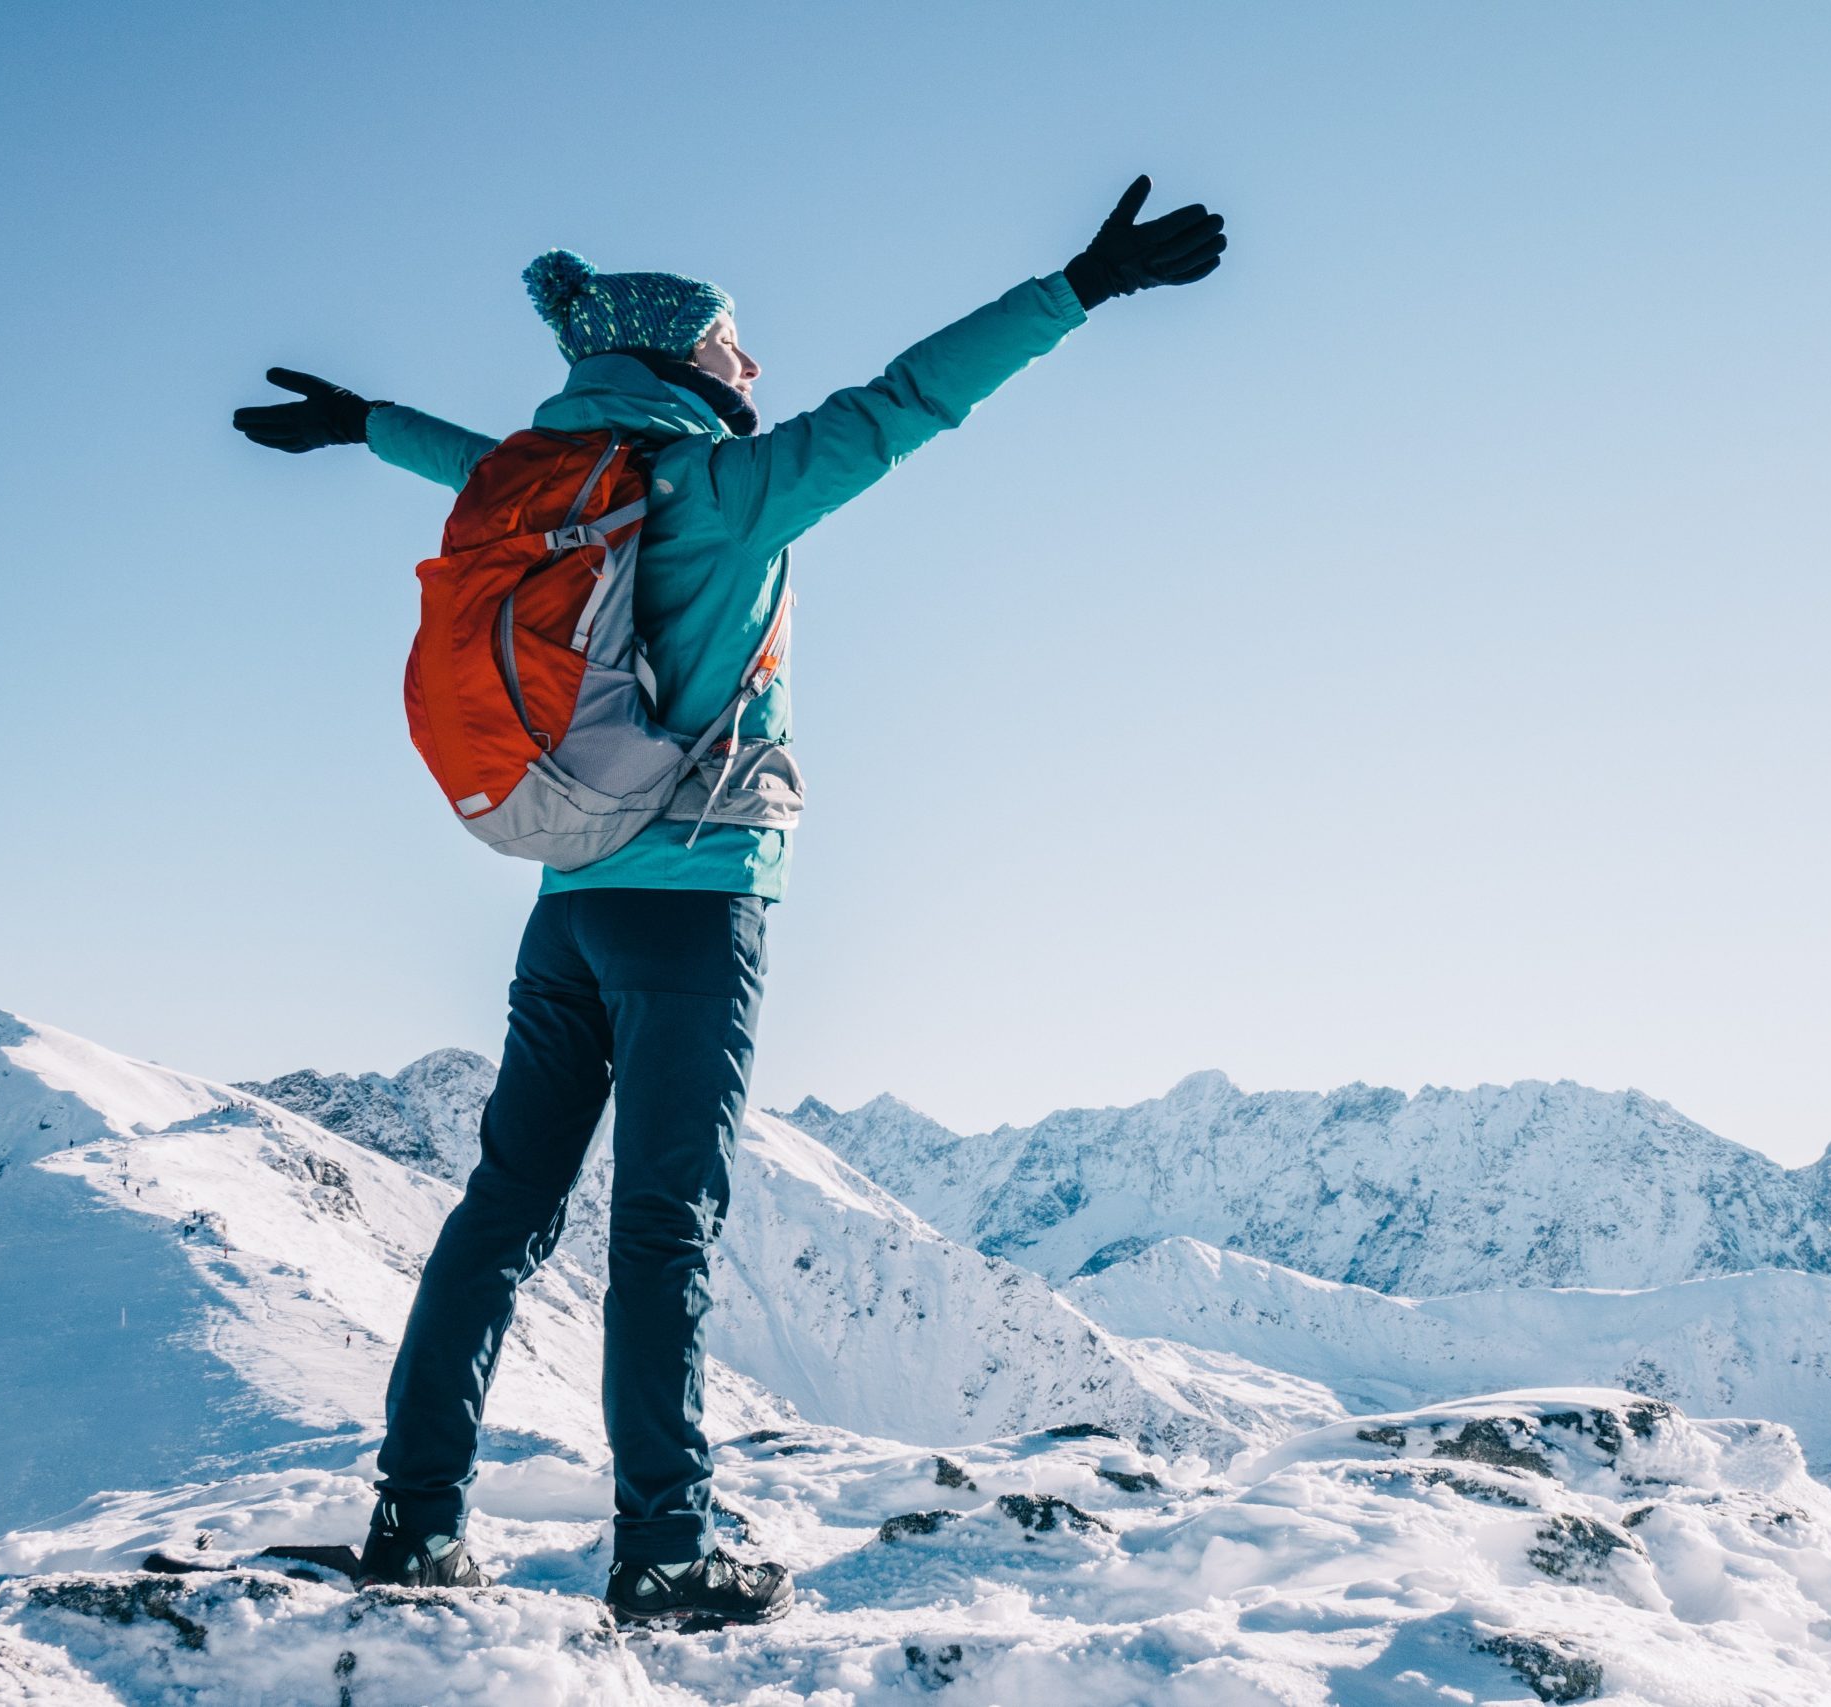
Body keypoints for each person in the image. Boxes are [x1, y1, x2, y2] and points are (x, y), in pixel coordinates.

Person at [233, 178, 1225, 1627]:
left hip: (567, 901)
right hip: (693, 906)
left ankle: (416, 1524)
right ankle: (666, 1550)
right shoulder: (716, 489)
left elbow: (464, 457)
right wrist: (1078, 288)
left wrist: (359, 421)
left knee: (502, 1208)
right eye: (733, 345)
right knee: (662, 1229)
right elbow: (907, 402)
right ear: (683, 358)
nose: (752, 368)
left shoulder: (544, 485)